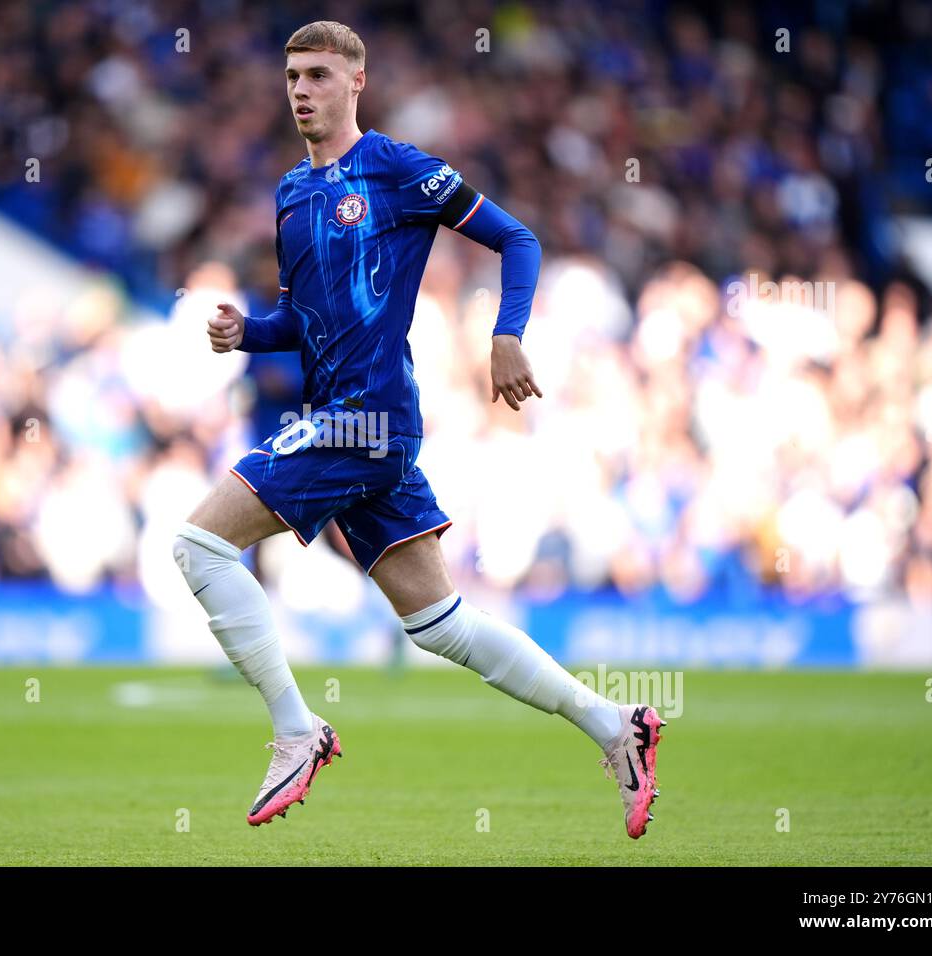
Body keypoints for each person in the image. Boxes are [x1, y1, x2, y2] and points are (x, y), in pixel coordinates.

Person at [172, 20, 665, 838]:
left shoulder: (396, 168)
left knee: (197, 544)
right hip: (352, 423)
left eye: (320, 75)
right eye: (293, 75)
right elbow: (303, 317)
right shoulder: (292, 195)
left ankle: (298, 729)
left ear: (356, 82)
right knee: (440, 624)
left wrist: (507, 333)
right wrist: (247, 333)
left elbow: (517, 238)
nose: (301, 89)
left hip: (365, 420)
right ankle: (617, 727)